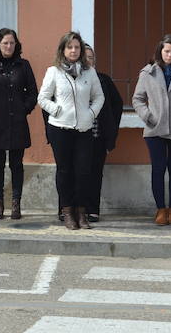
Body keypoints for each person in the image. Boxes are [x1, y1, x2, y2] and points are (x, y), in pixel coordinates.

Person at [38, 31, 104, 230]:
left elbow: (99, 97)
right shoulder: (54, 71)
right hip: (60, 129)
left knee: (83, 171)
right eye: (70, 47)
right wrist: (57, 110)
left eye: (77, 47)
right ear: (63, 50)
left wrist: (90, 114)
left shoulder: (89, 72)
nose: (73, 50)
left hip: (84, 129)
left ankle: (81, 212)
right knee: (64, 171)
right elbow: (42, 98)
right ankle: (67, 212)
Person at [132, 34, 171, 226]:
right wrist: (148, 116)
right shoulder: (148, 73)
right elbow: (137, 99)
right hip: (155, 129)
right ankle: (161, 209)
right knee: (158, 169)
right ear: (160, 51)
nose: (169, 55)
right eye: (166, 51)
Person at [0, 28, 38, 220]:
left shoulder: (23, 65)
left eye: (12, 43)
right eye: (5, 43)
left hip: (18, 123)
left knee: (16, 165)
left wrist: (24, 109)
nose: (9, 46)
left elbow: (33, 92)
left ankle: (16, 203)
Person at [83, 44, 123, 222]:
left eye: (91, 57)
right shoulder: (70, 79)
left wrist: (111, 133)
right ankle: (71, 208)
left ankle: (92, 209)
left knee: (95, 173)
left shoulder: (104, 80)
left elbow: (117, 105)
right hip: (76, 136)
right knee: (74, 173)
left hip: (97, 137)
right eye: (84, 57)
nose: (88, 61)